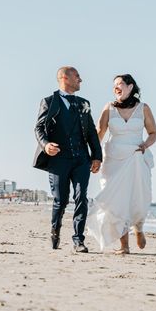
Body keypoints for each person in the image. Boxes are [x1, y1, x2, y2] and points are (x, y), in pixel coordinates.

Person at [86, 74, 156, 254]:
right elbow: (99, 133)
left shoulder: (143, 108)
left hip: (136, 158)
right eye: (114, 85)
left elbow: (153, 132)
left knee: (138, 198)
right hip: (113, 160)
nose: (115, 88)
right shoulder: (109, 108)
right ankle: (124, 246)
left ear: (130, 86)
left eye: (119, 84)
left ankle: (139, 227)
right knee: (116, 202)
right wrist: (93, 157)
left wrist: (145, 145)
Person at [33, 66, 103, 253]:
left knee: (81, 197)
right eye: (77, 76)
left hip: (81, 159)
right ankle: (55, 231)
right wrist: (46, 145)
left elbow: (90, 133)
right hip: (58, 160)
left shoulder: (84, 103)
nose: (81, 80)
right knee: (60, 200)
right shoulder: (49, 102)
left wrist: (97, 156)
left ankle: (78, 240)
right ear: (65, 78)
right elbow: (38, 128)